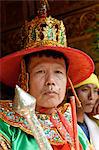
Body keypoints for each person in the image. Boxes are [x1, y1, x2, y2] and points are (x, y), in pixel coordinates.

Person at [0, 1, 95, 150]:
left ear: (67, 81)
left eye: (58, 72)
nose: (51, 81)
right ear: (25, 79)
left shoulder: (71, 127)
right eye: (40, 72)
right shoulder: (6, 128)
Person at [72, 73, 99, 150]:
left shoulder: (95, 124)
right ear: (72, 92)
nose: (91, 97)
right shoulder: (61, 126)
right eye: (85, 90)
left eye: (95, 91)